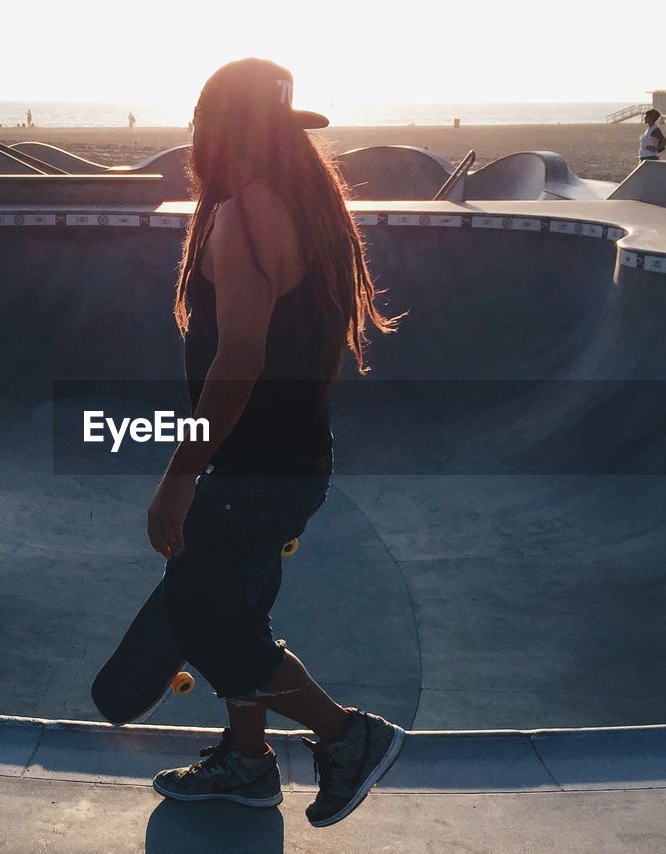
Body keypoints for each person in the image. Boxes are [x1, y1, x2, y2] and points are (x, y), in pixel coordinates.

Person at [146, 57, 404, 828]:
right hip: (291, 460)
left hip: (254, 467)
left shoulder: (242, 214)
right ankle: (249, 762)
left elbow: (242, 356)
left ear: (213, 130)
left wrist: (180, 474)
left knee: (202, 614)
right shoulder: (304, 211)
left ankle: (346, 736)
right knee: (239, 608)